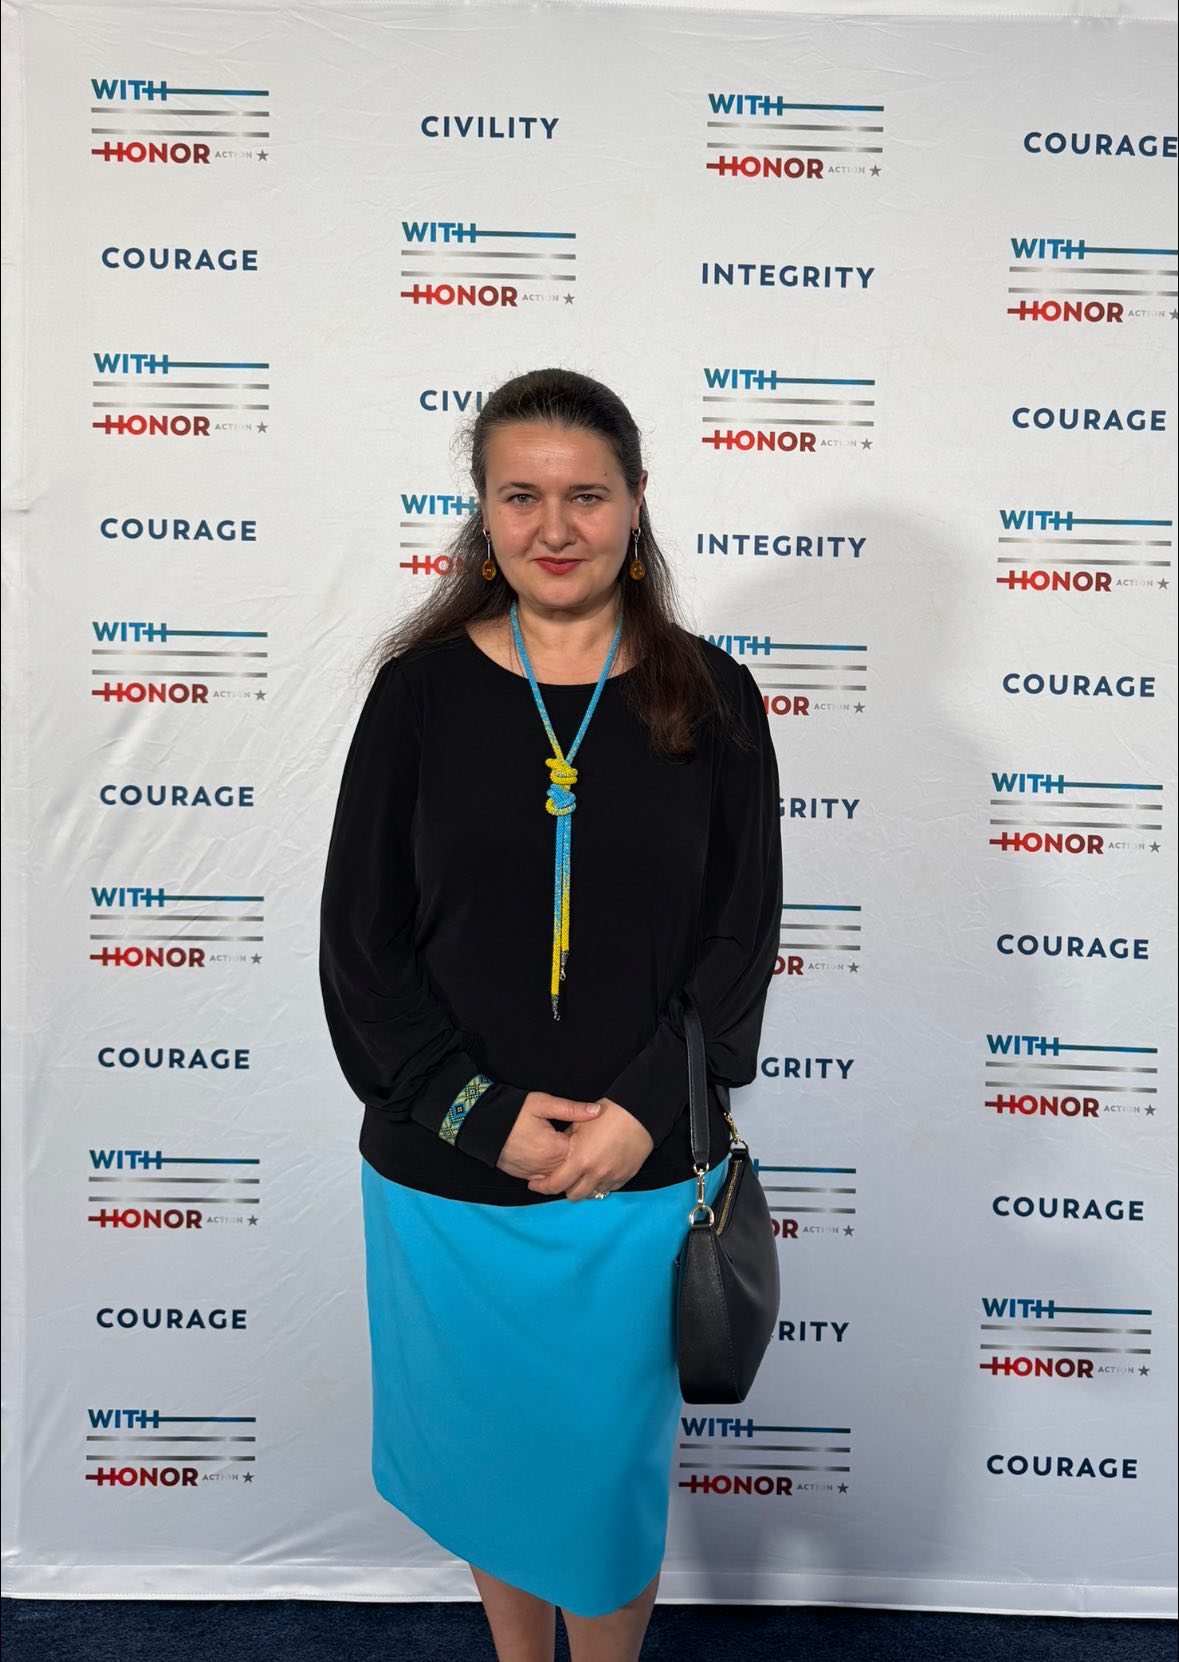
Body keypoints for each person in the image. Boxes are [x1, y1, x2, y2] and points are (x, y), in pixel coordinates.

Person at [320, 368, 782, 1662]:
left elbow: (739, 939)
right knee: (495, 1462)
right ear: (483, 511)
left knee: (601, 1478)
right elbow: (360, 944)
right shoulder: (416, 694)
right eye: (520, 496)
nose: (555, 526)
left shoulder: (714, 696)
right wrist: (477, 1115)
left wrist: (637, 1115)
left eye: (587, 495)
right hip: (449, 1174)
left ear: (637, 502)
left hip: (636, 1177)